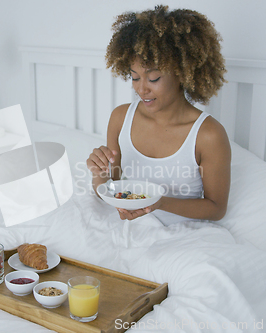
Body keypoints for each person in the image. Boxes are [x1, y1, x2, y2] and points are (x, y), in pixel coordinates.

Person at [86, 5, 231, 225]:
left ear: (182, 73)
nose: (141, 89)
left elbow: (216, 208)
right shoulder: (120, 118)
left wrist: (159, 203)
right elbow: (112, 189)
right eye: (135, 78)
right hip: (127, 229)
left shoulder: (208, 134)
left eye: (153, 79)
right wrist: (99, 173)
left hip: (182, 237)